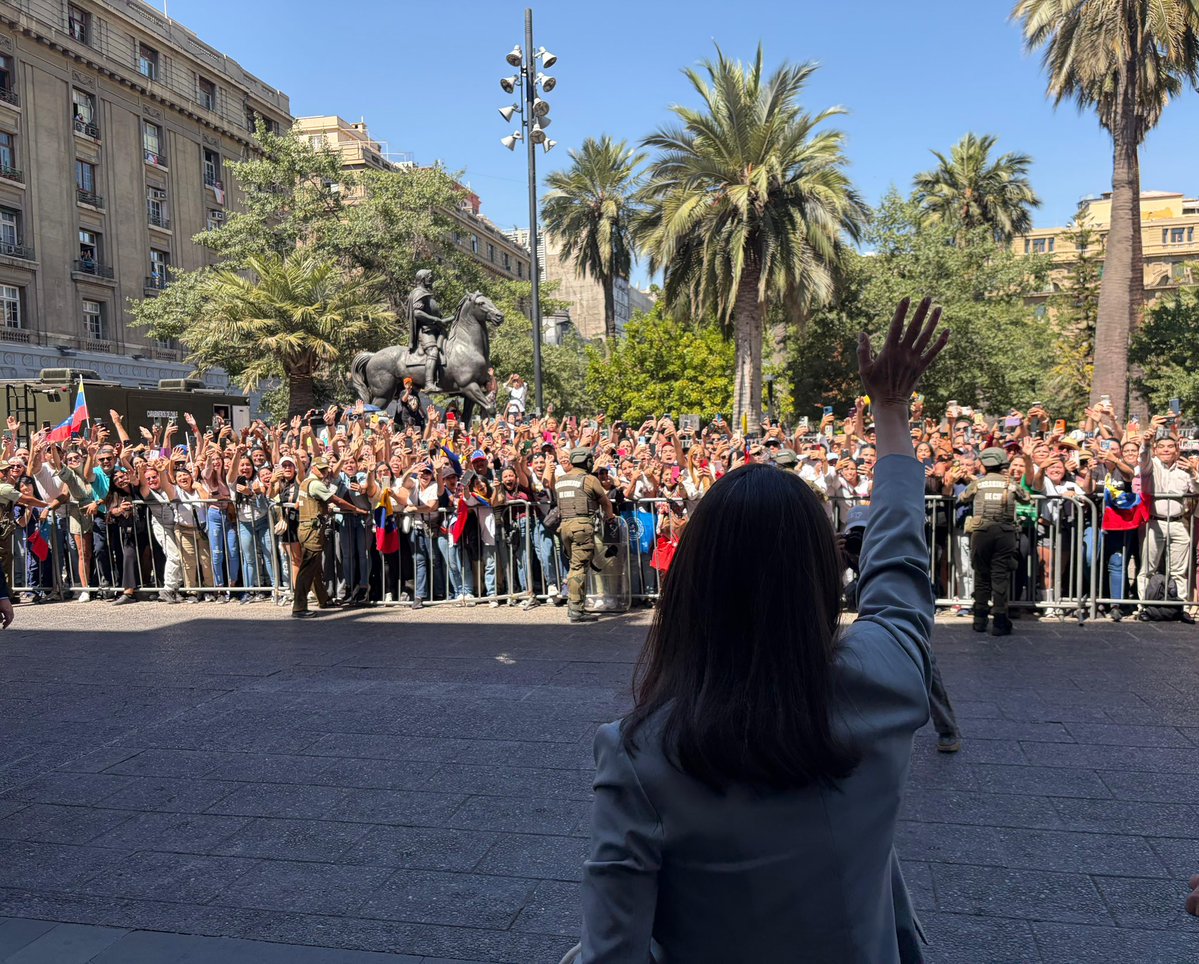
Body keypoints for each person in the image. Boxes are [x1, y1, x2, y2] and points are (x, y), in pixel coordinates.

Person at [578, 296, 949, 962]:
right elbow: (898, 566)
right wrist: (891, 412)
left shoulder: (641, 754)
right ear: (822, 575)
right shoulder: (886, 679)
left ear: (693, 584)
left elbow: (613, 951)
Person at [959, 447, 1029, 636]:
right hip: (1005, 533)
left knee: (981, 575)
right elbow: (1026, 498)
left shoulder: (979, 484)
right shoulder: (1010, 484)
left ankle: (979, 619)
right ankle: (999, 621)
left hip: (981, 533)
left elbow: (963, 497)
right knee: (999, 576)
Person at [292, 456, 365, 618]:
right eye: (321, 469)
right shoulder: (316, 484)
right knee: (308, 569)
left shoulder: (305, 483)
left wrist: (321, 508)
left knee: (315, 568)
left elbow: (297, 505)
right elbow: (336, 500)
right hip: (312, 530)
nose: (325, 472)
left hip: (306, 527)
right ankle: (299, 607)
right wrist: (356, 509)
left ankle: (323, 599)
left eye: (326, 469)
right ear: (313, 468)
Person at [555, 446, 616, 624]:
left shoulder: (561, 480)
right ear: (587, 461)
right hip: (582, 527)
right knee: (579, 568)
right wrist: (610, 519)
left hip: (565, 526)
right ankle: (576, 609)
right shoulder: (589, 479)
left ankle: (575, 606)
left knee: (574, 565)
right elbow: (606, 503)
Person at [407, 268, 448, 391]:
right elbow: (417, 313)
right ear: (423, 279)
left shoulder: (427, 294)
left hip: (436, 330)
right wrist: (436, 320)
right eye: (429, 278)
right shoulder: (419, 293)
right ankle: (429, 383)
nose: (432, 280)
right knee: (433, 351)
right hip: (426, 331)